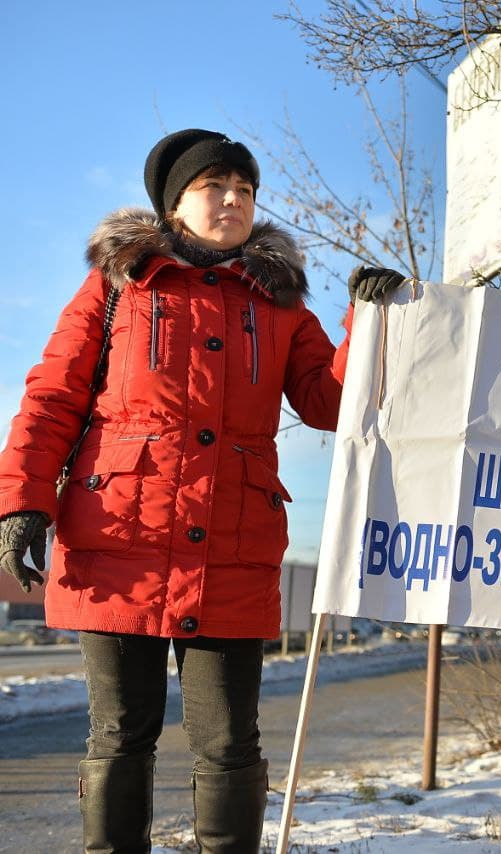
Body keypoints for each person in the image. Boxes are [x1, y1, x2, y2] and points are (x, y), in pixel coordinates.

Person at [0, 129, 407, 853]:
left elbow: (328, 401)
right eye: (215, 186)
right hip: (119, 538)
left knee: (229, 741)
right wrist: (23, 499)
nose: (233, 199)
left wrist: (367, 325)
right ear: (174, 204)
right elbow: (53, 395)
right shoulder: (119, 283)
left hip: (232, 548)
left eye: (245, 189)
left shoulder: (279, 303)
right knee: (121, 734)